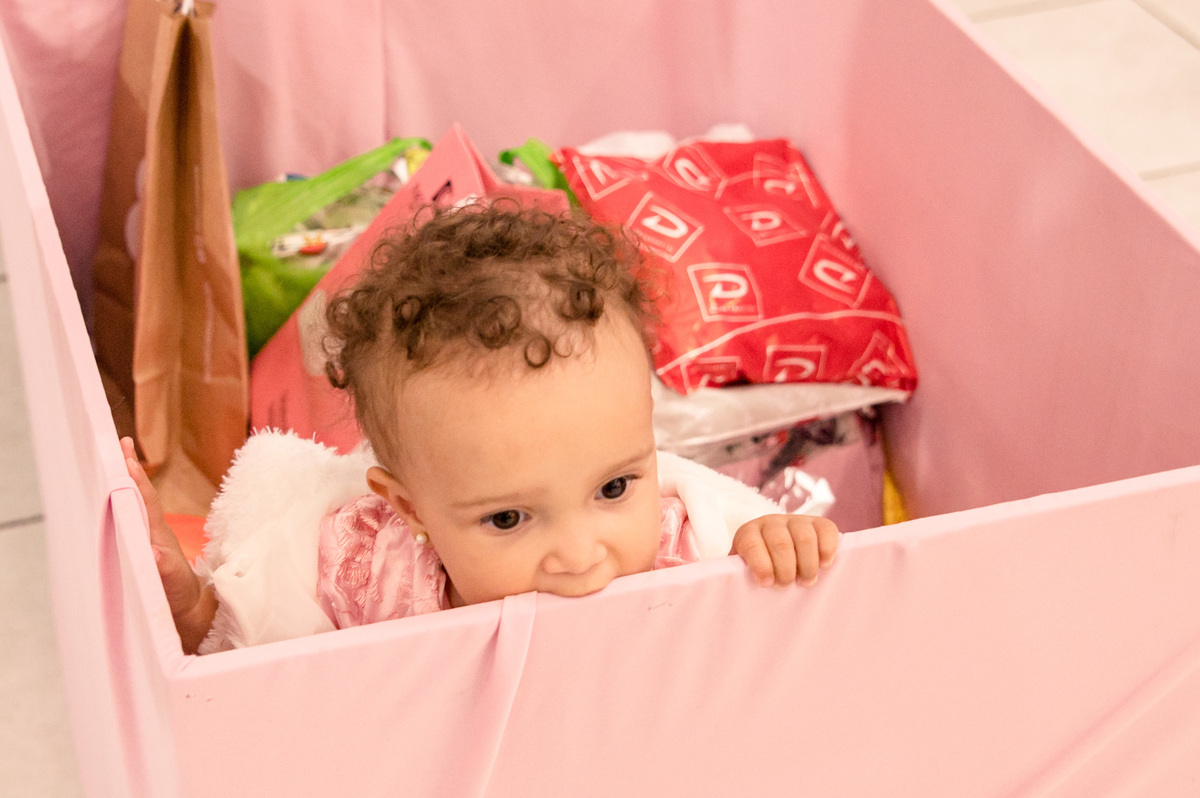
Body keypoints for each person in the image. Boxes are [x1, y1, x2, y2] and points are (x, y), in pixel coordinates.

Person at [123, 201, 840, 655]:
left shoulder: (685, 540)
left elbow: (761, 611)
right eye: (507, 518)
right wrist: (197, 612)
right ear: (408, 508)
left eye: (615, 486)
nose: (580, 554)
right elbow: (258, 632)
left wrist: (773, 545)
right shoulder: (370, 566)